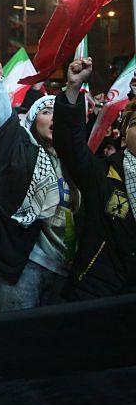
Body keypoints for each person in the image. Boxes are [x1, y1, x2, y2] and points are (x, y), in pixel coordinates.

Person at [0, 33, 76, 313]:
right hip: (24, 267)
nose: (55, 117)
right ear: (33, 122)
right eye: (47, 111)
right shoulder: (19, 147)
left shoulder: (73, 162)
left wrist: (73, 86)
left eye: (58, 111)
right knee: (18, 343)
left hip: (65, 266)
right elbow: (0, 114)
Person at [54, 57, 136, 300]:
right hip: (98, 296)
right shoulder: (101, 174)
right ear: (122, 137)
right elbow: (70, 144)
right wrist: (73, 88)